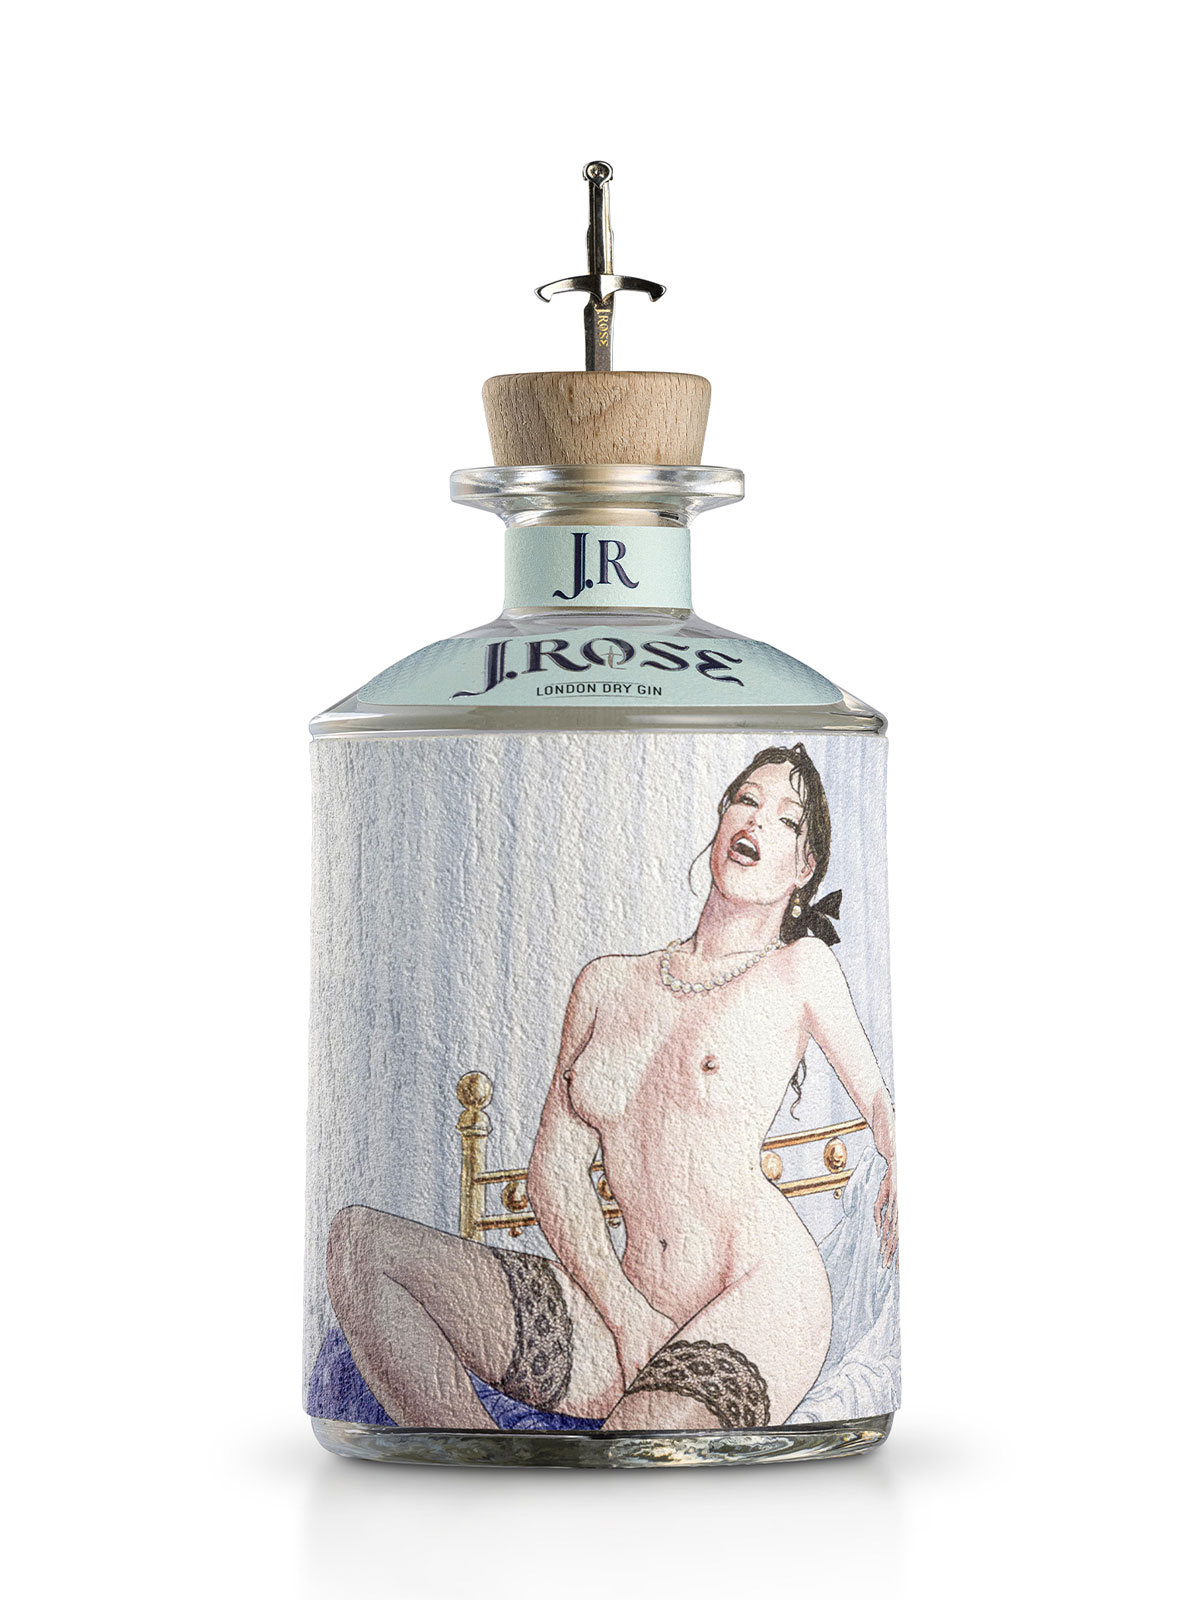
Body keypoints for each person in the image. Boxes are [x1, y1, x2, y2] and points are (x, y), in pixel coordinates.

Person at [326, 743, 897, 1431]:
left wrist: (902, 1158)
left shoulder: (800, 968)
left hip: (757, 1295)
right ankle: (481, 1467)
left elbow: (878, 1099)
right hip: (623, 1300)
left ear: (804, 868)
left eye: (787, 819)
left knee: (638, 1438)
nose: (756, 820)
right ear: (721, 819)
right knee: (360, 1247)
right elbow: (555, 1172)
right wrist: (624, 1311)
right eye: (746, 800)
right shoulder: (606, 983)